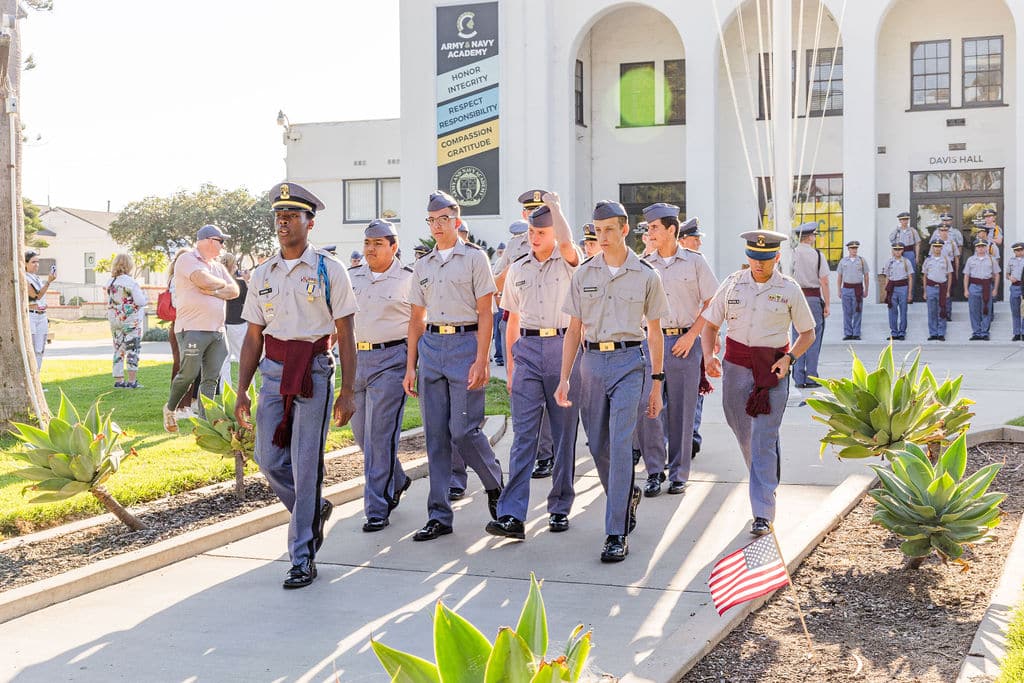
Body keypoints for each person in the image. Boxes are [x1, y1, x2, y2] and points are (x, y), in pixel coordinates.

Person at [235, 182, 358, 589]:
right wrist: (241, 393)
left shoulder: (329, 269)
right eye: (279, 216)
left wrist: (348, 391)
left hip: (314, 371)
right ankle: (312, 510)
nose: (283, 222)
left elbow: (346, 332)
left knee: (307, 466)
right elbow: (254, 336)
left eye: (291, 216)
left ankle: (301, 556)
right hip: (273, 372)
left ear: (310, 222)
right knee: (268, 459)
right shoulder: (263, 272)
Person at [555, 200, 669, 563]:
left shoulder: (647, 274)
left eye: (608, 229)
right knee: (599, 445)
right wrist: (563, 378)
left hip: (629, 362)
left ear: (623, 229)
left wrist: (656, 383)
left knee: (621, 446)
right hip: (592, 363)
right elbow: (574, 330)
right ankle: (625, 496)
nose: (601, 236)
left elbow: (655, 333)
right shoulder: (584, 274)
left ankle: (615, 532)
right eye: (597, 229)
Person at [403, 190, 505, 541]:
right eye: (431, 221)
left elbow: (485, 312)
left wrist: (482, 359)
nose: (437, 226)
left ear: (456, 221)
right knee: (435, 436)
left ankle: (494, 484)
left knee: (464, 430)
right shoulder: (423, 265)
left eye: (443, 219)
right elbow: (416, 318)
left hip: (465, 344)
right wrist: (410, 365)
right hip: (432, 346)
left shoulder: (475, 258)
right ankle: (439, 514)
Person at [700, 230, 815, 536]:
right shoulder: (732, 283)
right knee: (746, 435)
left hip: (771, 372)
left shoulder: (789, 289)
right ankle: (766, 475)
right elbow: (710, 324)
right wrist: (708, 355)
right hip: (736, 368)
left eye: (765, 259)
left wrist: (789, 359)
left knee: (762, 437)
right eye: (754, 258)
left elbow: (808, 333)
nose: (759, 264)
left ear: (777, 257)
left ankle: (762, 511)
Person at [486, 193, 581, 540]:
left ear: (553, 231)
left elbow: (569, 243)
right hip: (526, 349)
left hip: (562, 346)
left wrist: (555, 206)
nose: (535, 236)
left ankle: (559, 506)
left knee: (563, 434)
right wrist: (511, 366)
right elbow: (510, 319)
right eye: (531, 231)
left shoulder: (569, 261)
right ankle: (512, 514)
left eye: (542, 231)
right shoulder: (520, 267)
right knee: (523, 436)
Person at [637, 203, 718, 498]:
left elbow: (713, 301)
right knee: (650, 408)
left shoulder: (695, 262)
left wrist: (694, 335)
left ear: (672, 230)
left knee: (683, 412)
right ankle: (654, 472)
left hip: (685, 343)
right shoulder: (643, 263)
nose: (650, 232)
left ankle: (679, 473)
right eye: (648, 228)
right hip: (651, 343)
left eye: (655, 227)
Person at [349, 219, 413, 532]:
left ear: (393, 246)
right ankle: (397, 479)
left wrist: (412, 365)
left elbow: (419, 325)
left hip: (392, 360)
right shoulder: (352, 277)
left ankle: (377, 506)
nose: (370, 249)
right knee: (361, 434)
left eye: (377, 244)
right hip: (357, 360)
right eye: (367, 243)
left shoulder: (408, 279)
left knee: (378, 436)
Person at [163, 225, 239, 433]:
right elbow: (201, 279)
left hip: (217, 330)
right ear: (207, 240)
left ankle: (207, 423)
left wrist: (213, 290)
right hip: (192, 329)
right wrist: (216, 284)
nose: (223, 245)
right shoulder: (187, 259)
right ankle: (170, 409)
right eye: (220, 241)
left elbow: (234, 290)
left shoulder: (217, 265)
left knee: (211, 378)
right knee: (188, 373)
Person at [677, 217, 711, 456]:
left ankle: (692, 436)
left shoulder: (699, 263)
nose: (698, 242)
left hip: (694, 334)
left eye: (699, 239)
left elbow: (710, 304)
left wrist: (710, 338)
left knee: (695, 392)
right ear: (681, 239)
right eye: (694, 238)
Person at [788, 222, 830, 388]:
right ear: (810, 237)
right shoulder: (817, 255)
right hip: (812, 298)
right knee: (813, 336)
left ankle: (798, 377)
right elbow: (824, 281)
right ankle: (811, 377)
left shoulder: (791, 254)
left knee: (797, 336)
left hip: (796, 297)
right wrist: (827, 304)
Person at [105, 253, 148, 388]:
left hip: (115, 320)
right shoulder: (131, 282)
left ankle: (118, 380)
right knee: (132, 348)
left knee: (118, 349)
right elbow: (140, 301)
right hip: (131, 320)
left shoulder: (110, 282)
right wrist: (146, 298)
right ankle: (132, 380)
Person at [166, 248, 200, 418]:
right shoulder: (176, 281)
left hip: (189, 325)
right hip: (182, 325)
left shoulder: (180, 279)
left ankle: (185, 406)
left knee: (189, 366)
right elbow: (179, 303)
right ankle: (178, 408)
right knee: (182, 367)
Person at [219, 253, 249, 390]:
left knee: (224, 361)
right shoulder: (240, 283)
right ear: (233, 266)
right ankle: (248, 389)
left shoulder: (219, 283)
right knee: (243, 359)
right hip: (238, 324)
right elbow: (249, 303)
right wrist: (247, 281)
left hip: (222, 324)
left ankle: (227, 390)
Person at [24, 250, 55, 371]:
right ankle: (31, 378)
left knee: (40, 349)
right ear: (25, 263)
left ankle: (37, 377)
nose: (36, 265)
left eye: (37, 262)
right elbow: (35, 296)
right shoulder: (25, 278)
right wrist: (48, 282)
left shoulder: (37, 278)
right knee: (31, 348)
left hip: (42, 316)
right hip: (31, 316)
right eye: (33, 262)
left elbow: (40, 299)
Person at [964, 239, 1000, 341]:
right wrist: (966, 290)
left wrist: (995, 289)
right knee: (974, 310)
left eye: (983, 246)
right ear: (975, 248)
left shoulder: (991, 259)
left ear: (986, 247)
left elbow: (997, 275)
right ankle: (976, 332)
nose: (981, 248)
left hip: (987, 286)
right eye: (978, 246)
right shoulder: (970, 260)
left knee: (986, 310)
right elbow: (966, 276)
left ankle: (984, 332)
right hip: (974, 286)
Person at [921, 240, 954, 341]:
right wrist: (925, 291)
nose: (937, 248)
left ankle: (941, 333)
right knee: (932, 311)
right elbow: (925, 276)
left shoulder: (946, 259)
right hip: (931, 288)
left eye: (939, 246)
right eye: (935, 246)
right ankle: (933, 333)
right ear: (932, 247)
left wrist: (948, 291)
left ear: (941, 248)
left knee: (942, 311)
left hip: (942, 288)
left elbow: (949, 275)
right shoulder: (928, 260)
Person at [836, 240, 869, 340]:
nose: (854, 250)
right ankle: (848, 333)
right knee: (847, 312)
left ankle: (856, 333)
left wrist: (866, 289)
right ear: (848, 249)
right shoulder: (843, 261)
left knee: (857, 311)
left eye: (855, 248)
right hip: (846, 288)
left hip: (858, 289)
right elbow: (839, 277)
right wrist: (839, 290)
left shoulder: (862, 261)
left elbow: (866, 276)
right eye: (852, 248)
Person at [881, 242, 914, 341]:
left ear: (902, 250)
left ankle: (902, 332)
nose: (897, 251)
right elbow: (887, 277)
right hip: (892, 288)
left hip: (903, 287)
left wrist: (909, 293)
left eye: (899, 249)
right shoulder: (889, 262)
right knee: (892, 310)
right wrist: (886, 291)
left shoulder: (906, 262)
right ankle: (894, 332)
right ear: (892, 250)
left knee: (903, 311)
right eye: (895, 249)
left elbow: (910, 278)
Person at [931, 220, 961, 321]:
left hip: (949, 267)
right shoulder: (935, 243)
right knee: (938, 290)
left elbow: (956, 258)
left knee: (949, 291)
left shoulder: (952, 243)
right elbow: (931, 257)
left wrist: (956, 271)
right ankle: (939, 313)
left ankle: (947, 313)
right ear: (938, 232)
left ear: (948, 231)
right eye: (941, 230)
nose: (944, 232)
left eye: (946, 230)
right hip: (938, 267)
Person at [889, 210, 920, 277]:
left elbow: (917, 244)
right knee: (900, 271)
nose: (905, 221)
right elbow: (891, 240)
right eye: (903, 220)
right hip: (898, 252)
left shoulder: (912, 230)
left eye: (906, 219)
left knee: (911, 272)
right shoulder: (897, 231)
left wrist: (917, 256)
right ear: (900, 221)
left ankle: (911, 287)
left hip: (909, 253)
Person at [1007, 242, 1024, 341]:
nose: (1019, 252)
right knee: (1015, 311)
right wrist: (1010, 277)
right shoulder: (1011, 261)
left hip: (1023, 287)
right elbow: (1007, 273)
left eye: (1021, 250)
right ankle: (1017, 333)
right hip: (1015, 286)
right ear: (1014, 251)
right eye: (1017, 250)